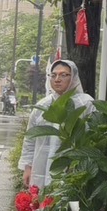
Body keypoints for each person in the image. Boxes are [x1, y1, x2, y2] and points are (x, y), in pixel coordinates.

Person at [20, 59, 95, 188]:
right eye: (53, 75)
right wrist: (28, 167)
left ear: (74, 77)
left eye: (63, 75)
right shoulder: (42, 105)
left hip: (74, 167)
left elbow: (93, 135)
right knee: (43, 196)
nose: (57, 79)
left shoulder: (85, 103)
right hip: (42, 165)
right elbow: (30, 140)